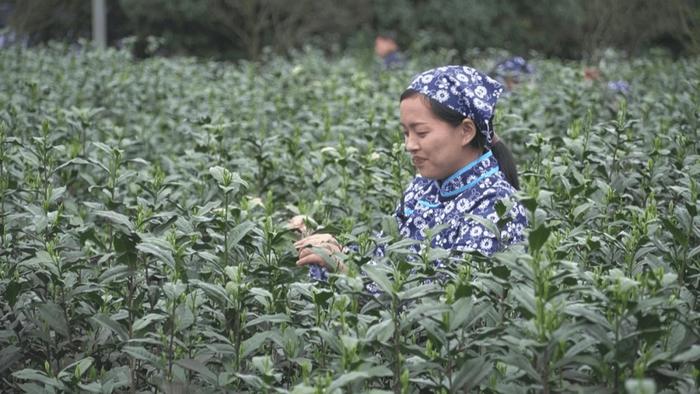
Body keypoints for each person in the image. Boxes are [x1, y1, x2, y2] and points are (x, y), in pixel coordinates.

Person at [295, 65, 528, 279]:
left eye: (421, 133)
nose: (410, 145)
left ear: (466, 131)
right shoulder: (423, 187)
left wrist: (350, 269)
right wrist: (330, 249)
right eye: (406, 133)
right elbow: (384, 254)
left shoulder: (498, 206)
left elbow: (451, 300)